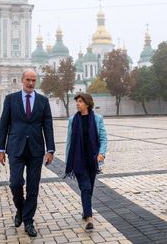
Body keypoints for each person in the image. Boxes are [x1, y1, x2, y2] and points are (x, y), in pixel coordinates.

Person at [0, 69, 55, 237]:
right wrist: (1, 149)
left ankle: (28, 221)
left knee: (32, 187)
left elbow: (48, 126)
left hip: (36, 150)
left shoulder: (43, 101)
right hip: (15, 148)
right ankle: (21, 210)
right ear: (22, 80)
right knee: (15, 183)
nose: (30, 83)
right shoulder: (11, 99)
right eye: (28, 79)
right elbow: (4, 125)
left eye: (33, 80)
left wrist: (50, 149)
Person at [65, 93, 107, 230]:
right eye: (77, 101)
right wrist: (68, 160)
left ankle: (85, 210)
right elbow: (70, 140)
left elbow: (103, 137)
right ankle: (89, 218)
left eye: (80, 101)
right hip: (78, 159)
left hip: (92, 159)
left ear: (87, 104)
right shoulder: (73, 120)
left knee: (89, 188)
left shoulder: (97, 118)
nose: (77, 104)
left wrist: (102, 153)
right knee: (86, 187)